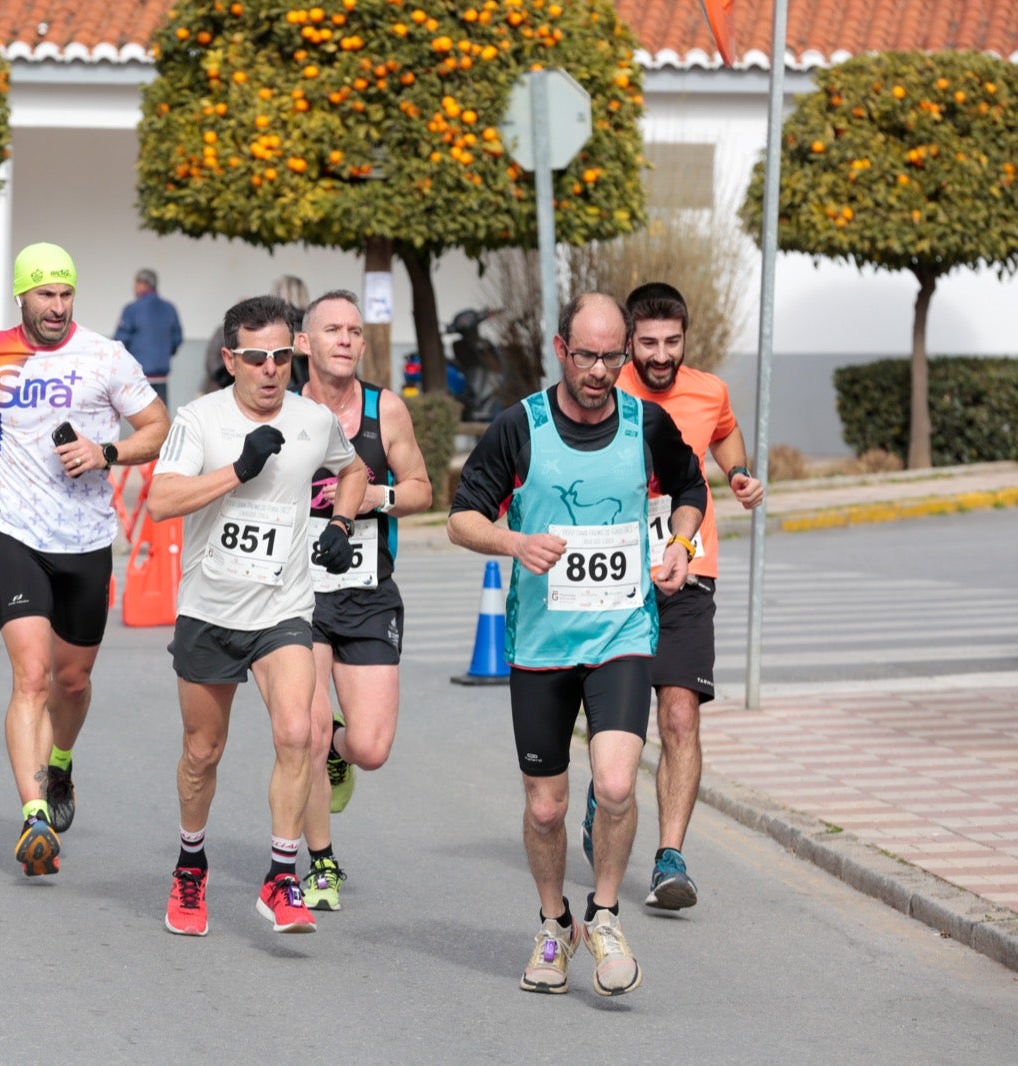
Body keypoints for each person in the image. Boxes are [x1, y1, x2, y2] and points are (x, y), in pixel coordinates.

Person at [446, 292, 706, 997]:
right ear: (560, 350)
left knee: (617, 783)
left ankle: (607, 915)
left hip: (623, 631)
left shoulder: (645, 423)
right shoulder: (519, 427)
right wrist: (512, 540)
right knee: (546, 808)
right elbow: (460, 519)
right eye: (587, 355)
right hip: (539, 644)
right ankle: (554, 924)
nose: (600, 370)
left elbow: (690, 487)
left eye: (612, 356)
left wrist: (680, 543)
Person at [0, 242, 169, 878]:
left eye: (66, 294)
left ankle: (61, 762)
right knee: (33, 679)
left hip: (87, 539)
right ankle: (34, 813)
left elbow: (157, 425)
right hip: (14, 529)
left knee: (72, 682)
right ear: (21, 296)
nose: (57, 307)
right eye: (45, 295)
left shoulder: (105, 356)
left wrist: (108, 452)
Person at [149, 293, 368, 937]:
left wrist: (343, 522)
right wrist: (238, 469)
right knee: (202, 751)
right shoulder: (200, 419)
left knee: (301, 733)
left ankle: (280, 877)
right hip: (210, 608)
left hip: (284, 607)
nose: (270, 369)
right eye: (255, 357)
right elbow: (161, 499)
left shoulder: (312, 418)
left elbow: (353, 471)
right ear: (229, 359)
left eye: (280, 355)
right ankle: (191, 864)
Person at [575, 281, 765, 909]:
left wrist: (736, 472)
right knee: (615, 716)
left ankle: (670, 858)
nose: (661, 355)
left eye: (672, 342)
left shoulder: (709, 391)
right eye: (648, 343)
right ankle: (605, 790)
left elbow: (727, 434)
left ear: (686, 340)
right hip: (615, 577)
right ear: (629, 341)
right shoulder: (605, 388)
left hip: (690, 571)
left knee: (680, 714)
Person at [294, 290, 432, 912]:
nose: (347, 339)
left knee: (369, 747)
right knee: (308, 725)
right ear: (304, 344)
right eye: (332, 329)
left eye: (355, 330)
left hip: (369, 593)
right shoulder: (284, 412)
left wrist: (368, 499)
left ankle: (335, 753)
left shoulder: (385, 410)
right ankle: (320, 863)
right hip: (297, 597)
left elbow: (424, 491)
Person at [113, 268, 182, 406]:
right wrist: (164, 353)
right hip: (162, 376)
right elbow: (177, 338)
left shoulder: (132, 309)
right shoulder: (169, 308)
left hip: (139, 378)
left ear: (142, 284)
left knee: (142, 420)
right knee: (161, 418)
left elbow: (120, 342)